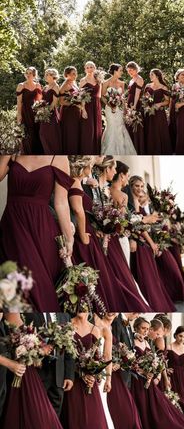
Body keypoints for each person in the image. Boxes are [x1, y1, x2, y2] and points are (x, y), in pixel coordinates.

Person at [1, 312, 82, 429]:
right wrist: (37, 352)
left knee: (47, 420)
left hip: (43, 372)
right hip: (27, 373)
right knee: (29, 419)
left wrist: (68, 374)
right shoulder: (19, 312)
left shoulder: (62, 313)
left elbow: (69, 348)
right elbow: (14, 342)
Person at [68, 156, 150, 312]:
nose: (115, 171)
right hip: (91, 235)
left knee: (116, 274)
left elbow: (108, 214)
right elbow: (83, 211)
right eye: (114, 168)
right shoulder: (90, 186)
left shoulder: (101, 188)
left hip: (103, 234)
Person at [0, 155, 74, 312]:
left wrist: (69, 238)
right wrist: (7, 152)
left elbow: (61, 203)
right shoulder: (15, 152)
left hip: (41, 230)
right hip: (12, 227)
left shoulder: (59, 158)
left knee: (37, 283)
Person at [61, 312, 120, 429]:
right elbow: (64, 356)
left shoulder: (96, 329)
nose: (83, 309)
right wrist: (79, 374)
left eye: (86, 306)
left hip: (90, 384)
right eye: (80, 305)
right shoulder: (66, 325)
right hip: (71, 382)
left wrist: (99, 375)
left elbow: (100, 357)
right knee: (74, 421)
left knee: (94, 424)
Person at [131, 317, 184, 429]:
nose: (145, 331)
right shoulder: (132, 341)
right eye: (143, 328)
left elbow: (156, 360)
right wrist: (145, 372)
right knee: (143, 409)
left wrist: (155, 374)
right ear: (136, 328)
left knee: (160, 408)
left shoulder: (147, 343)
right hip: (137, 381)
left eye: (147, 328)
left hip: (150, 381)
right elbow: (132, 362)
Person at [96, 157, 152, 312]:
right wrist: (142, 220)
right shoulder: (123, 196)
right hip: (120, 238)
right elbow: (124, 221)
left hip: (109, 237)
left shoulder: (106, 191)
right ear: (121, 176)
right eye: (127, 175)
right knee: (124, 271)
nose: (127, 178)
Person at [94, 312, 149, 429]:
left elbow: (110, 354)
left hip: (107, 373)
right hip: (96, 371)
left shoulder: (111, 328)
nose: (112, 313)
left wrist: (109, 376)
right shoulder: (102, 324)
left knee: (105, 410)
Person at [129, 176, 176, 312]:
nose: (140, 189)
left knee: (151, 278)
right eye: (137, 186)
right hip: (140, 244)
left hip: (144, 244)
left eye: (142, 186)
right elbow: (139, 226)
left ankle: (156, 304)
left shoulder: (136, 202)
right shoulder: (131, 201)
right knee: (146, 279)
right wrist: (152, 243)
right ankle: (151, 305)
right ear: (131, 185)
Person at [23, 312, 75, 416]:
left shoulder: (65, 315)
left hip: (58, 375)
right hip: (37, 371)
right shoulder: (28, 313)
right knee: (35, 413)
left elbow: (70, 347)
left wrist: (69, 375)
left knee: (55, 416)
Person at [101, 63, 137, 155]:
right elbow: (102, 97)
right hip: (110, 109)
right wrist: (110, 105)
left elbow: (123, 98)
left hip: (120, 109)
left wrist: (125, 109)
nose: (122, 72)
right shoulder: (105, 83)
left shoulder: (122, 83)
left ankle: (122, 151)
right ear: (115, 71)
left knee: (120, 127)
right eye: (120, 70)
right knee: (112, 127)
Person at [144, 69, 172, 154]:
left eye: (152, 74)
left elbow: (168, 101)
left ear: (157, 76)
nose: (150, 76)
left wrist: (159, 104)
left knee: (158, 130)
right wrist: (146, 105)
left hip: (159, 112)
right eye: (150, 74)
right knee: (150, 130)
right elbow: (145, 98)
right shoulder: (148, 86)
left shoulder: (163, 87)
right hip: (149, 111)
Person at [16, 66, 43, 154]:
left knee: (36, 131)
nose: (28, 75)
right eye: (26, 73)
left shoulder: (38, 85)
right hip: (25, 112)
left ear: (34, 74)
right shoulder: (21, 85)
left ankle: (37, 152)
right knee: (27, 131)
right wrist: (19, 114)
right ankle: (28, 152)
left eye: (30, 73)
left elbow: (39, 100)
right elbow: (19, 101)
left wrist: (41, 111)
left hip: (35, 112)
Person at [79, 61, 103, 154]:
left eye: (91, 67)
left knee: (97, 129)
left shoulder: (98, 80)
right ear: (85, 69)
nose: (89, 69)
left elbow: (99, 95)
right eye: (87, 67)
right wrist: (83, 110)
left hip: (96, 106)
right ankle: (87, 151)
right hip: (87, 106)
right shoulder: (82, 81)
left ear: (94, 68)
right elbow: (80, 96)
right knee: (88, 130)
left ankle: (96, 151)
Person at [39, 68, 62, 154]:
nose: (46, 76)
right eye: (46, 74)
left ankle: (53, 152)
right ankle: (47, 152)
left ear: (53, 76)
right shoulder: (45, 87)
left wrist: (46, 113)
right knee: (42, 134)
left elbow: (54, 103)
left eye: (48, 74)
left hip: (51, 114)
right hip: (43, 113)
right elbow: (42, 100)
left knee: (50, 135)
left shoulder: (56, 86)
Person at [59, 66, 81, 154]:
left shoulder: (74, 83)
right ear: (67, 75)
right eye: (73, 74)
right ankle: (69, 151)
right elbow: (61, 102)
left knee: (75, 132)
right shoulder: (65, 85)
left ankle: (75, 150)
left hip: (75, 111)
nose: (75, 75)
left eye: (76, 73)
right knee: (70, 132)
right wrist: (74, 103)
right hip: (68, 112)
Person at [126, 61, 145, 154]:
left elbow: (137, 94)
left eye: (131, 70)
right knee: (130, 124)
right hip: (129, 102)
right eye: (128, 70)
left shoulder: (139, 79)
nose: (130, 72)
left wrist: (134, 105)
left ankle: (138, 147)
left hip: (135, 103)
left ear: (136, 69)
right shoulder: (131, 80)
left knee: (136, 124)